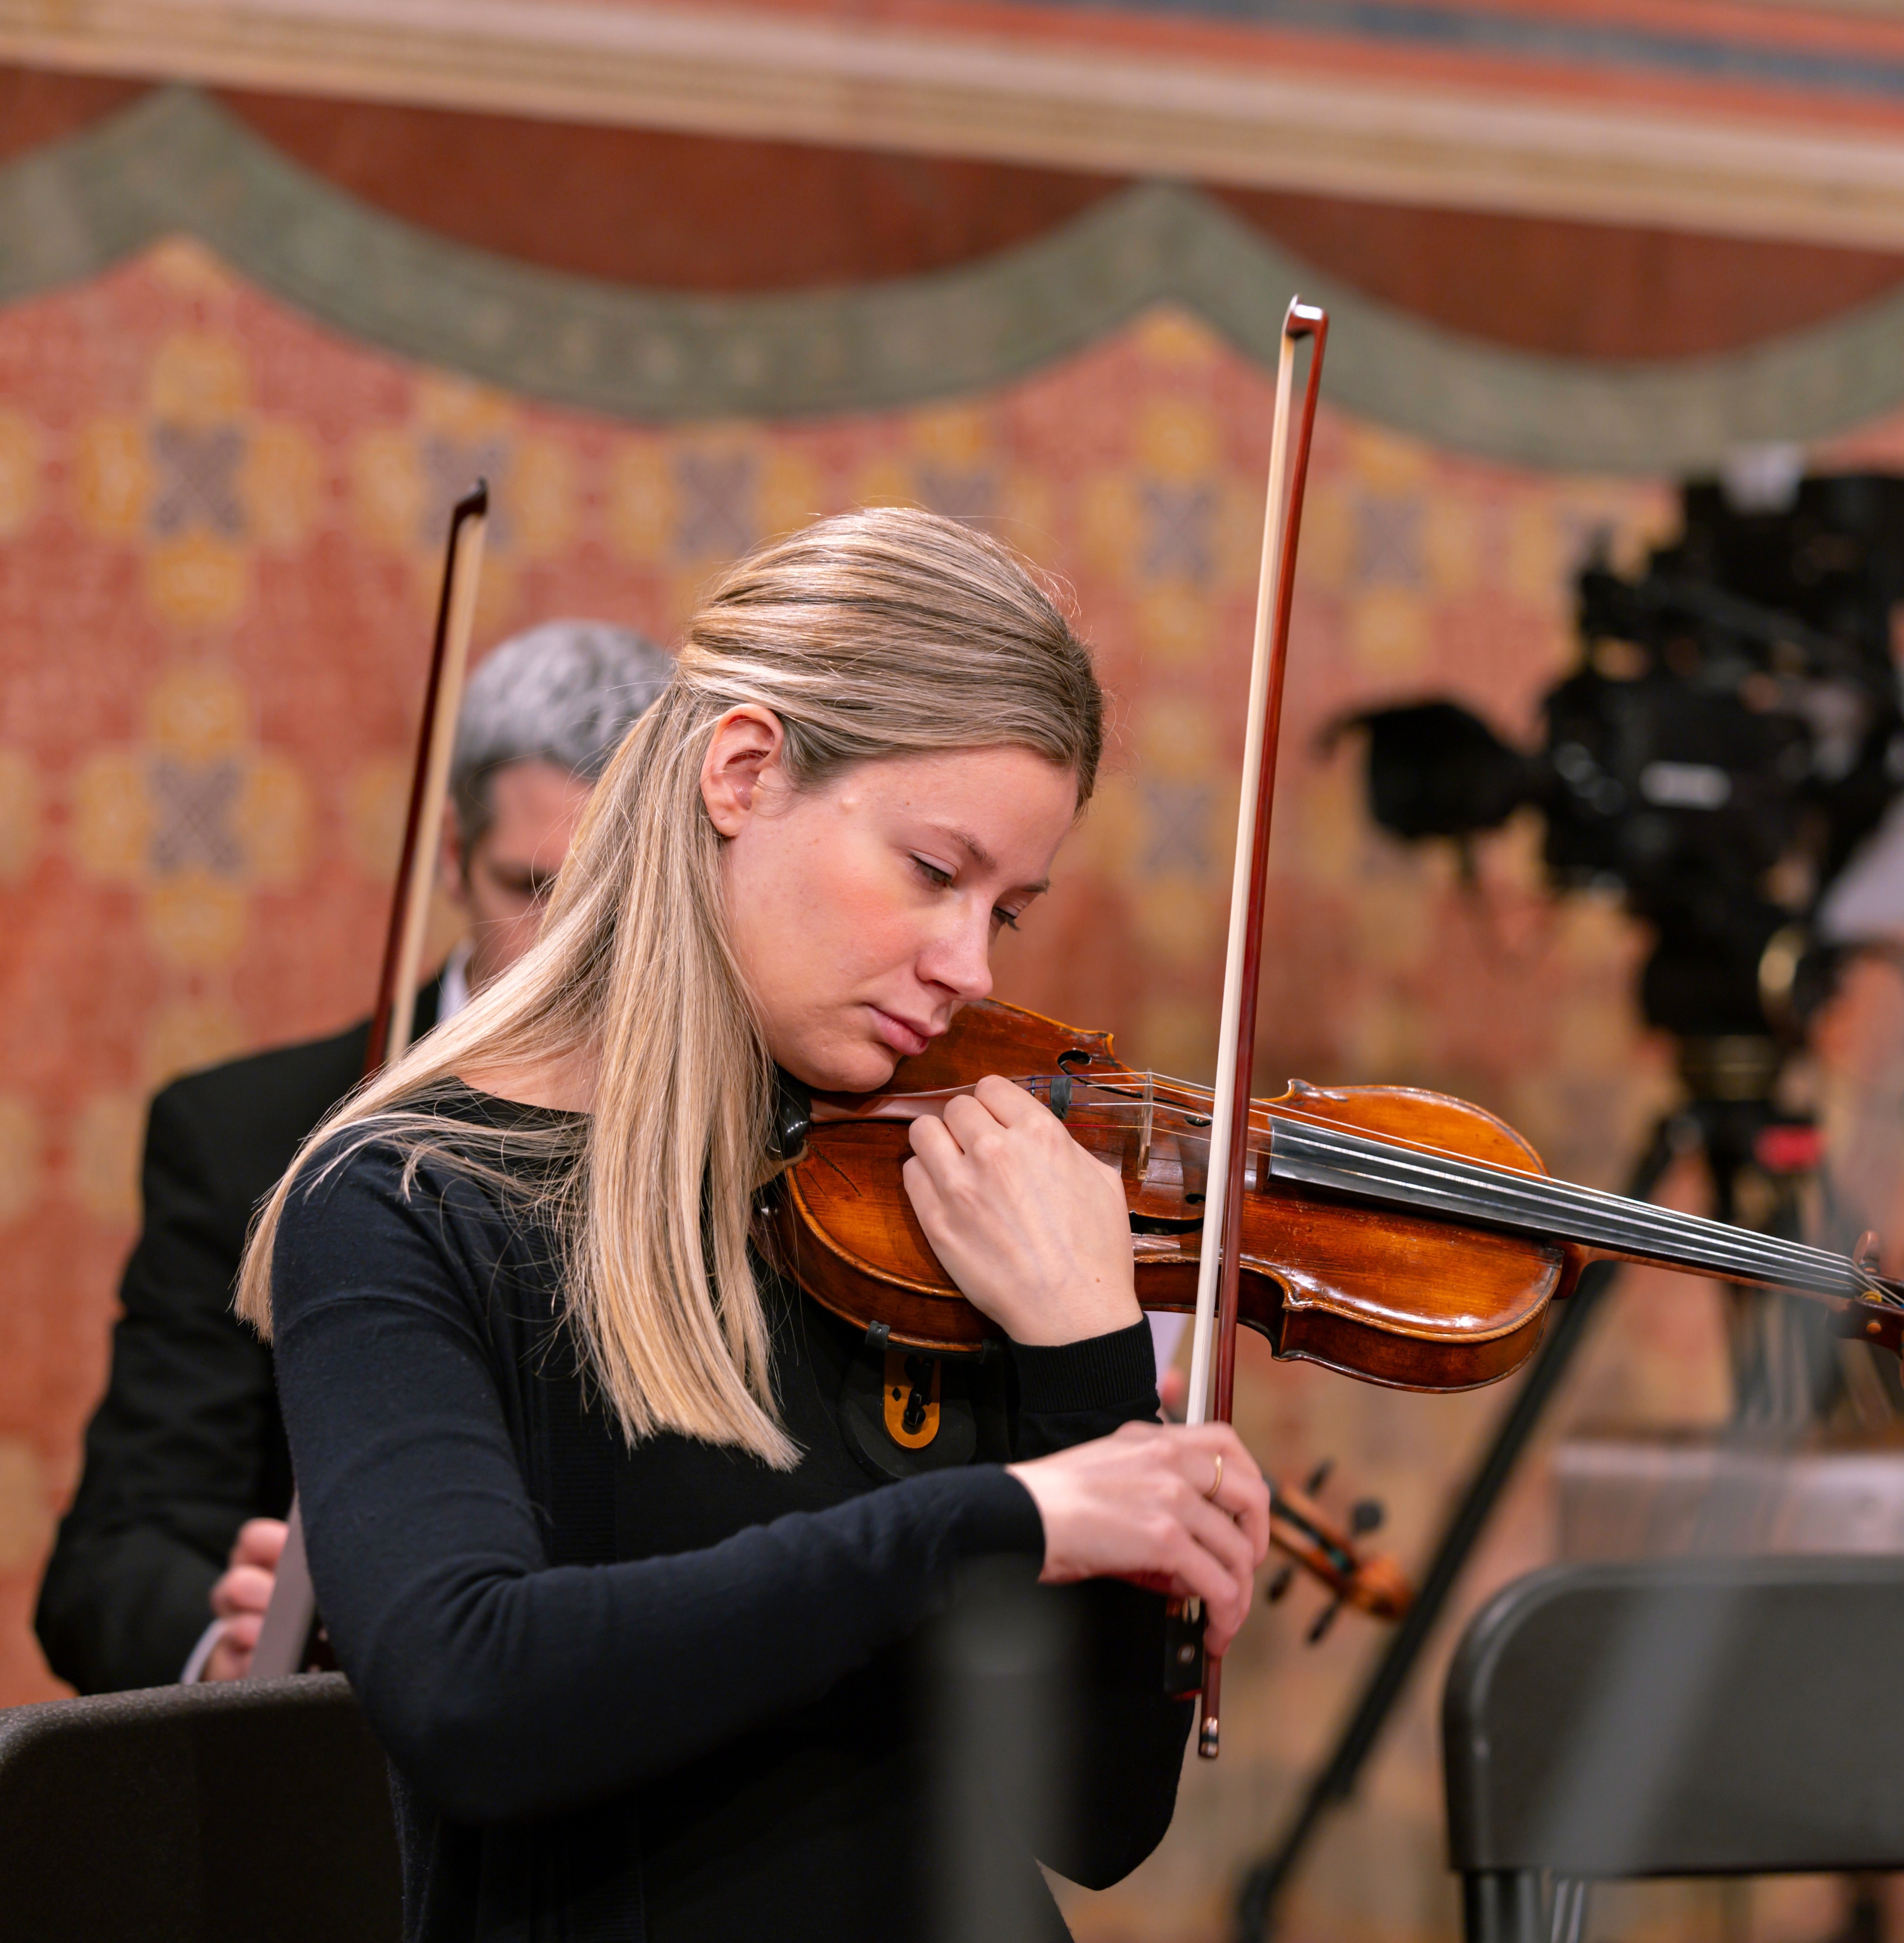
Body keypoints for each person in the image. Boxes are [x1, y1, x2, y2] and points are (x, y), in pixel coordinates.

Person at [237, 507, 1268, 1941]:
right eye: (931, 871)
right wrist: (1004, 1519)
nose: (966, 967)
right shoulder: (411, 1197)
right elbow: (470, 1693)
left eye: (1007, 912)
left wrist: (1090, 1361)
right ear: (742, 771)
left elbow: (1094, 1821)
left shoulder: (936, 1208)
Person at [34, 620, 672, 1694]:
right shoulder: (249, 1137)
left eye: (626, 897)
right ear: (452, 858)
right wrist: (243, 1652)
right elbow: (114, 1560)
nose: (580, 950)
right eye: (533, 887)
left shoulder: (761, 1134)